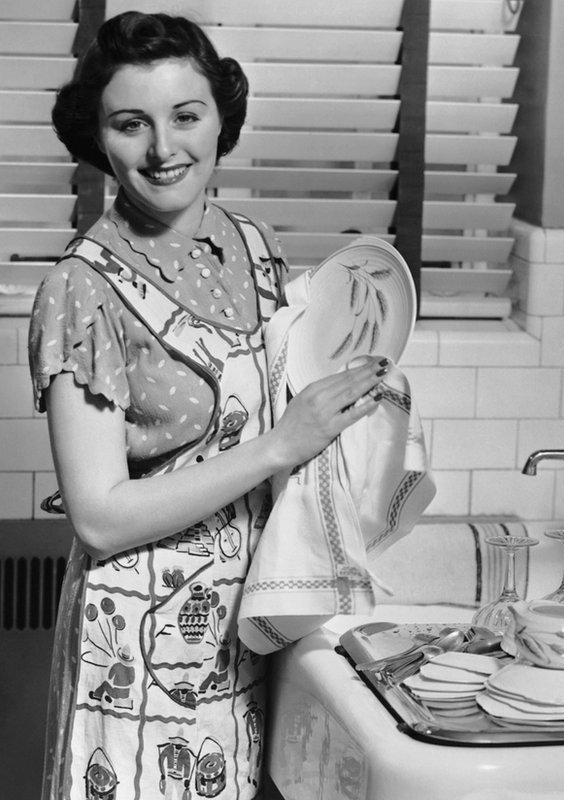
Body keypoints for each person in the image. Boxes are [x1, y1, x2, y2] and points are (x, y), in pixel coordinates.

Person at [29, 11, 388, 799]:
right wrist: (278, 446)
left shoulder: (254, 248)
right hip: (134, 644)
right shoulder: (81, 290)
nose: (163, 150)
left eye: (186, 116)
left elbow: (288, 401)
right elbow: (98, 515)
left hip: (243, 628)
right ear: (98, 137)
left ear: (221, 118)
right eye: (132, 124)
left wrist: (355, 386)